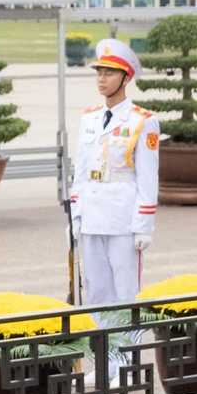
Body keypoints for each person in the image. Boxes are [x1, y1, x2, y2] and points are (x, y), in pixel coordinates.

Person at [69, 39, 159, 312]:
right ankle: (103, 352)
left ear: (125, 78)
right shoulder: (90, 118)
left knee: (126, 292)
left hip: (123, 219)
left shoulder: (143, 121)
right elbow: (81, 173)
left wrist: (144, 224)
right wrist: (75, 215)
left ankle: (126, 355)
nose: (101, 79)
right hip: (93, 217)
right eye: (99, 72)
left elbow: (148, 178)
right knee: (96, 292)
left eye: (109, 73)